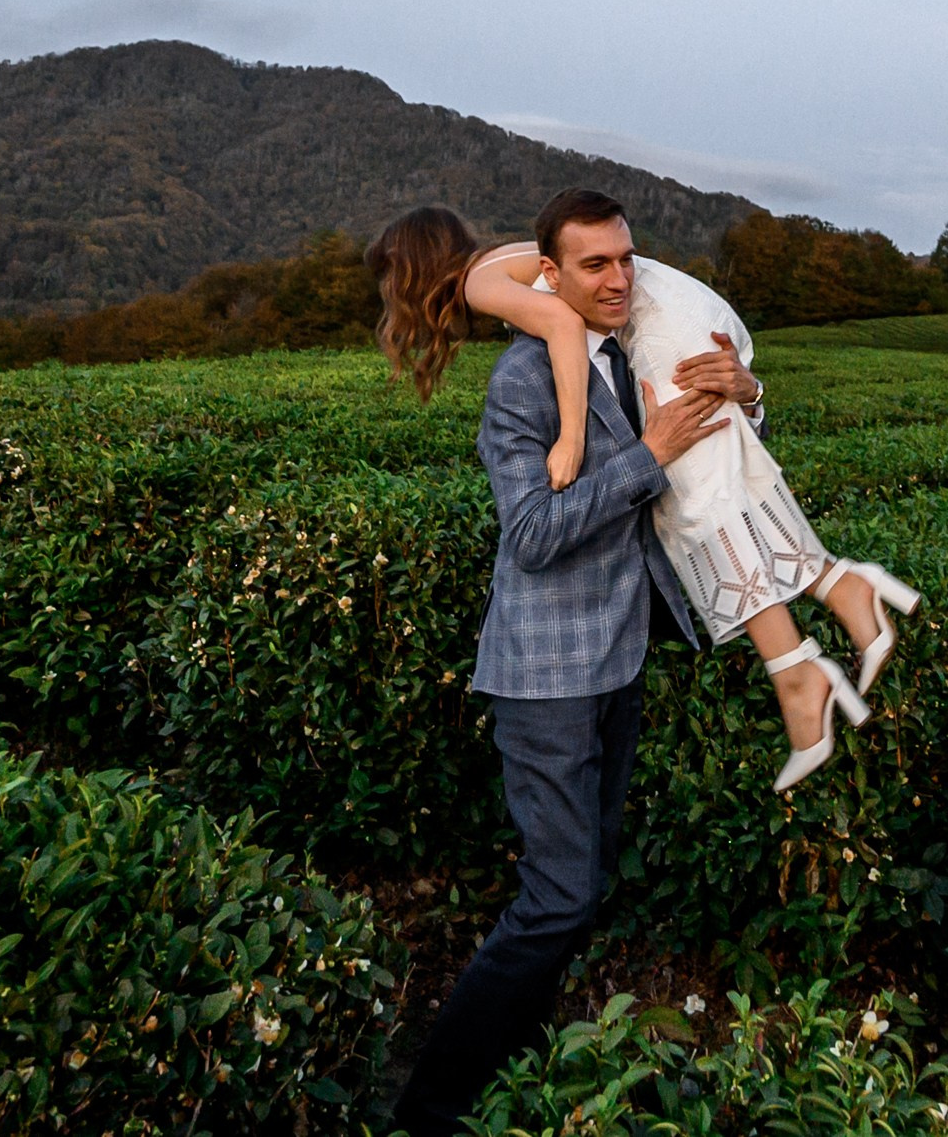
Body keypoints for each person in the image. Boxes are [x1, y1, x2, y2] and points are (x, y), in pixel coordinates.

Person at [369, 189, 918, 1137]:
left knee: (579, 891)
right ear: (551, 274)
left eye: (627, 260)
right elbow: (534, 535)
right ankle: (430, 1106)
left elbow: (711, 471)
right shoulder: (526, 381)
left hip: (615, 662)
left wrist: (746, 392)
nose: (620, 278)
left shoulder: (624, 351)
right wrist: (647, 454)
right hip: (546, 677)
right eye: (595, 266)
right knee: (558, 897)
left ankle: (512, 1075)